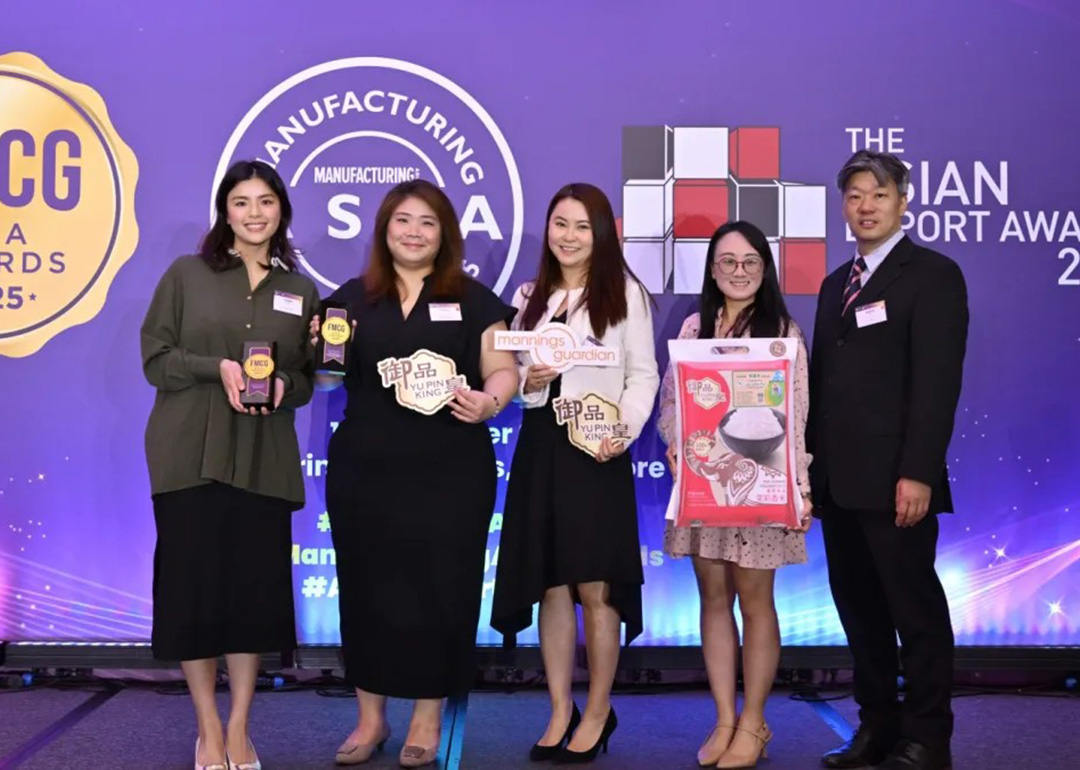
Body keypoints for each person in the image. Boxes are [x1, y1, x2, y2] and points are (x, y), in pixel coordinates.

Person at [312, 180, 518, 768]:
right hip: (365, 472)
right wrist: (318, 350)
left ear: (444, 234)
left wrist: (490, 401)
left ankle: (428, 716)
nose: (414, 232)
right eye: (403, 220)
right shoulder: (350, 299)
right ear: (384, 229)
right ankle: (370, 718)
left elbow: (502, 368)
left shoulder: (474, 299)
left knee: (443, 588)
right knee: (366, 588)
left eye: (427, 222)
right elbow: (325, 382)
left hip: (450, 472)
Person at [141, 159, 319, 770]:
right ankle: (208, 729)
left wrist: (285, 387)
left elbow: (306, 378)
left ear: (281, 209)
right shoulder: (186, 274)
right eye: (241, 202)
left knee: (251, 600)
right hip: (187, 454)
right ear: (225, 211)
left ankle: (240, 726)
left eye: (265, 201)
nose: (254, 213)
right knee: (193, 598)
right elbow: (155, 358)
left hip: (263, 460)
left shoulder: (300, 290)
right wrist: (213, 368)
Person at [809, 150, 968, 770]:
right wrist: (810, 474)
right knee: (860, 612)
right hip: (838, 484)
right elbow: (822, 386)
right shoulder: (834, 285)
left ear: (903, 201)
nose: (865, 207)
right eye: (854, 196)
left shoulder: (933, 275)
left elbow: (936, 386)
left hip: (899, 482)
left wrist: (919, 472)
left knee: (915, 612)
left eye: (878, 194)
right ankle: (876, 726)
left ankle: (928, 737)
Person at [492, 183, 660, 764]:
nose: (568, 236)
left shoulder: (626, 294)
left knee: (596, 583)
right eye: (560, 224)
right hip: (542, 445)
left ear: (602, 233)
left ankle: (598, 709)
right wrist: (530, 381)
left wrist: (624, 429)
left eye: (582, 226)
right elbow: (515, 375)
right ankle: (560, 708)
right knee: (550, 583)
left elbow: (643, 375)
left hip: (596, 449)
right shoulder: (529, 296)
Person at [658, 220, 813, 769]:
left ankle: (755, 721)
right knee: (713, 599)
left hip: (762, 490)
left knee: (755, 600)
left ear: (764, 270)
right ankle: (725, 718)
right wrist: (677, 442)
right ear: (712, 269)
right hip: (706, 487)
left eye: (750, 261)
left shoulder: (783, 332)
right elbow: (671, 402)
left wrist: (798, 488)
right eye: (727, 261)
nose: (739, 271)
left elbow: (796, 416)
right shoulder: (695, 328)